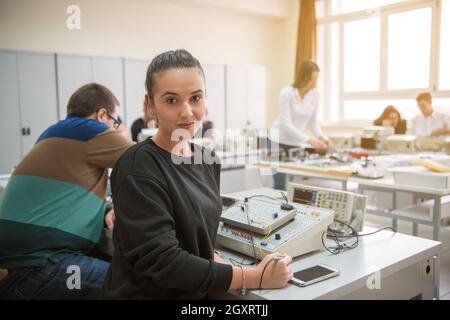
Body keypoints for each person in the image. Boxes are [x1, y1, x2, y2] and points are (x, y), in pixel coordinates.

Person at [102, 49, 292, 299]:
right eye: (171, 100)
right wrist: (255, 277)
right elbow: (164, 262)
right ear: (150, 106)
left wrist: (219, 261)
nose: (187, 112)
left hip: (195, 290)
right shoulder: (137, 167)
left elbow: (198, 238)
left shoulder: (207, 159)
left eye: (195, 98)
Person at [0, 83, 134, 299]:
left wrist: (106, 209)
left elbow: (63, 198)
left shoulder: (52, 133)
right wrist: (123, 134)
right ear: (102, 115)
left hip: (22, 265)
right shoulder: (89, 130)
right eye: (115, 121)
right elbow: (148, 160)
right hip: (38, 266)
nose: (115, 127)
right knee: (136, 286)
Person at [270, 60, 332, 190]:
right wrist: (310, 140)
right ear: (304, 77)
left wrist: (323, 138)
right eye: (313, 78)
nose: (315, 82)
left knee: (294, 183)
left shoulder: (315, 95)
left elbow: (313, 123)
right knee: (280, 184)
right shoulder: (287, 93)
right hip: (277, 141)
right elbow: (286, 124)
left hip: (296, 143)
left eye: (316, 79)